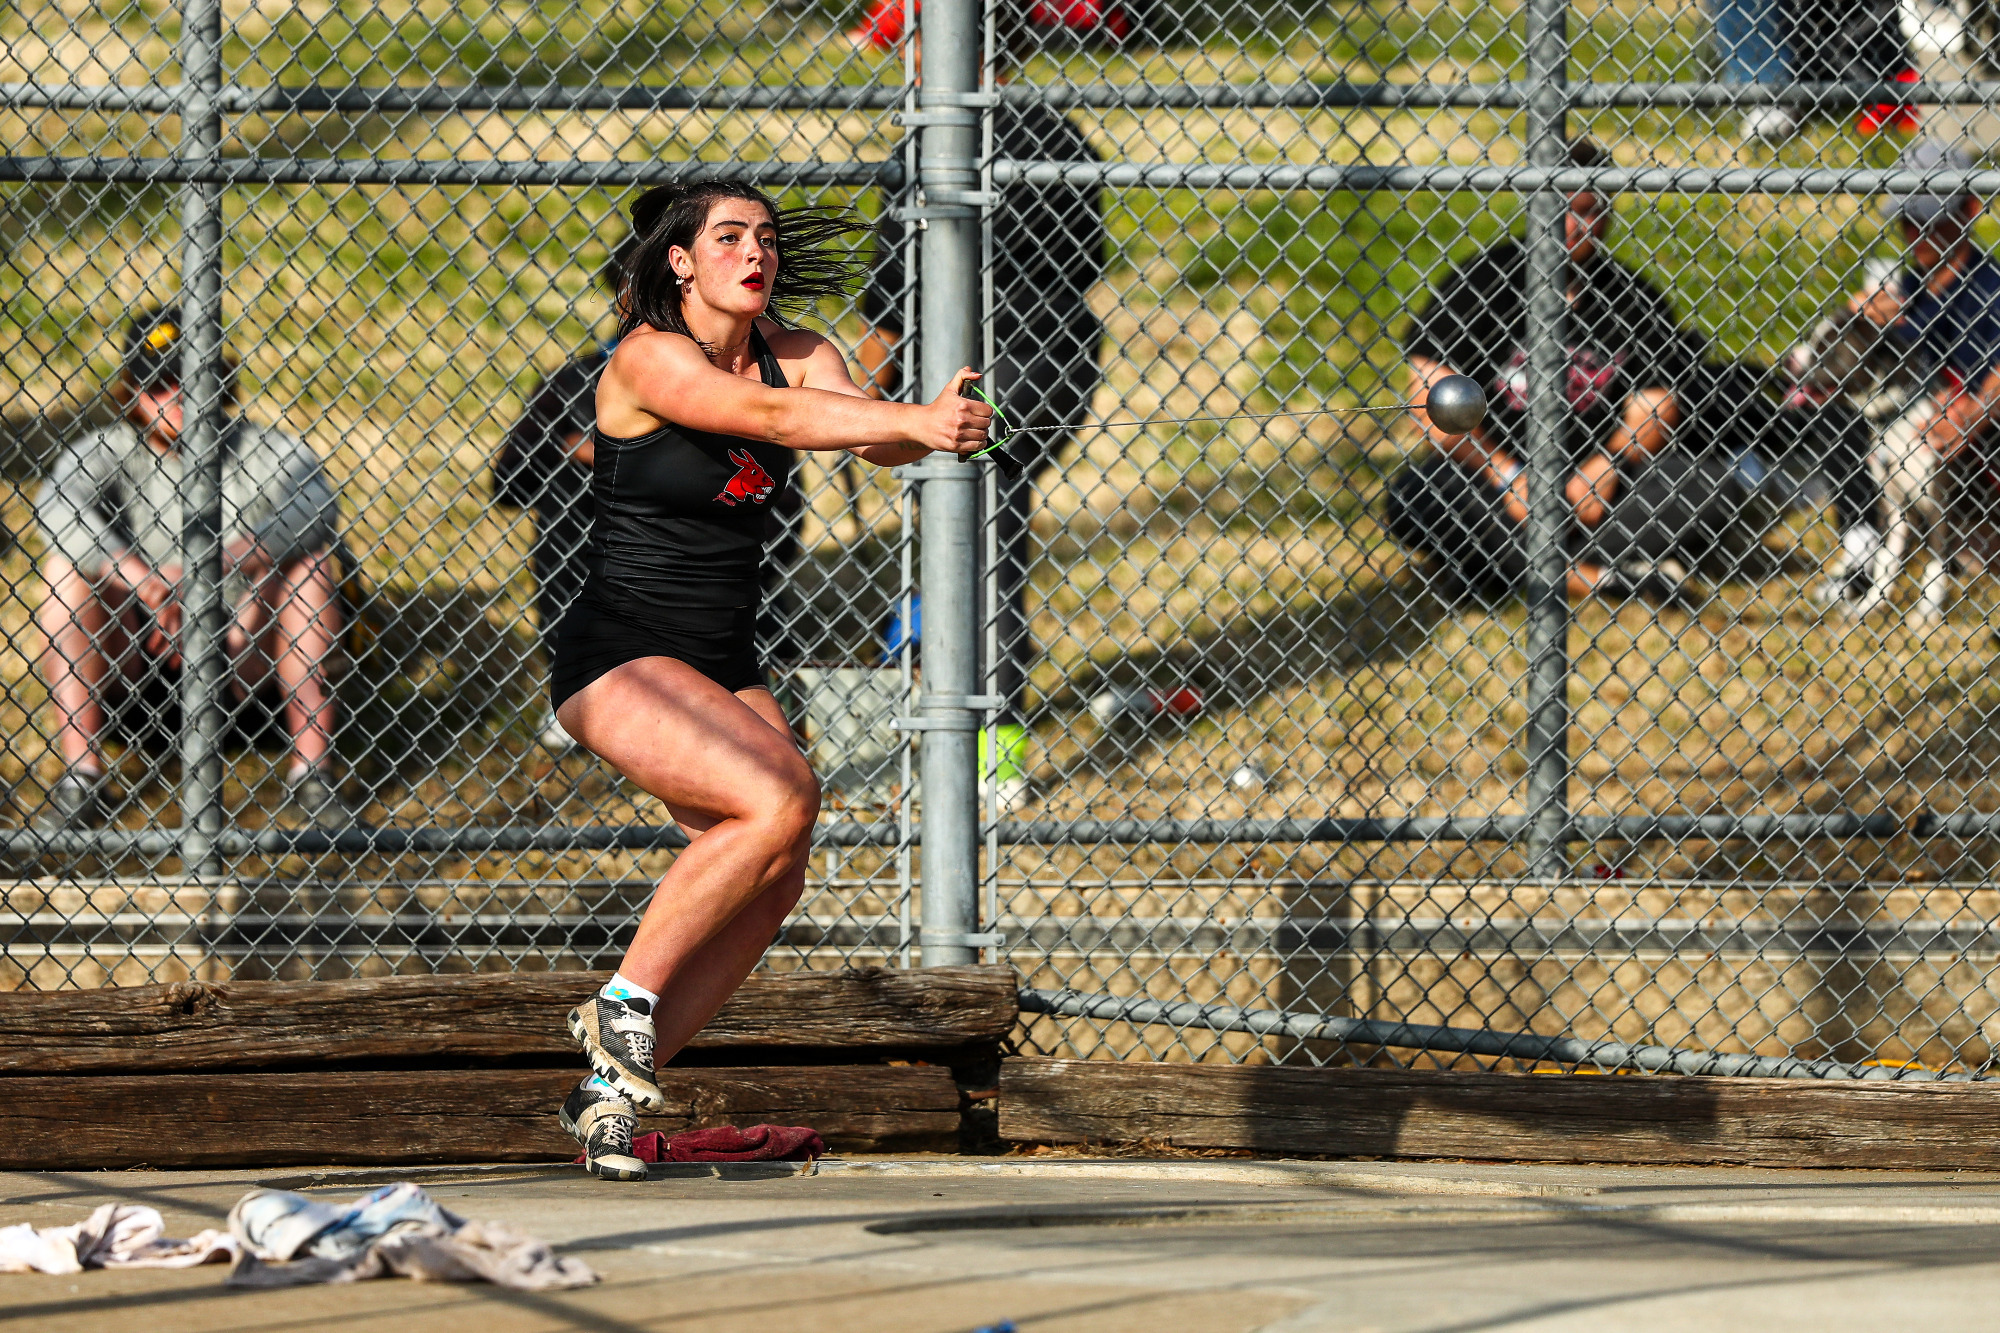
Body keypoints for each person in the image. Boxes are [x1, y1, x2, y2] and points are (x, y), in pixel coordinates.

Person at [550, 181, 991, 1180]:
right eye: (729, 237)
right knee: (776, 790)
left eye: (766, 239)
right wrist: (909, 424)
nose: (755, 253)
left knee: (775, 856)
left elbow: (861, 432)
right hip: (618, 647)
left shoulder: (800, 353)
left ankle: (608, 1093)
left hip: (724, 656)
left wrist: (933, 420)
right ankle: (620, 1010)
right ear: (681, 260)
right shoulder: (648, 356)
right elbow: (764, 419)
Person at [850, 0, 1123, 810]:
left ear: (945, 51)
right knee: (977, 527)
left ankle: (986, 747)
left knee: (974, 534)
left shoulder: (935, 141)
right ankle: (959, 724)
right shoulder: (1059, 135)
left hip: (989, 365)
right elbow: (1088, 266)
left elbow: (885, 303)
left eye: (909, 49)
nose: (902, 66)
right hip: (1051, 362)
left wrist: (867, 397)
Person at [33, 307, 346, 829]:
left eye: (189, 378)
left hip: (244, 665)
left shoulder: (260, 446)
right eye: (156, 384)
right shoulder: (110, 451)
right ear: (131, 394)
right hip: (137, 669)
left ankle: (312, 774)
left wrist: (229, 562)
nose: (174, 395)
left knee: (309, 568)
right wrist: (147, 583)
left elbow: (319, 501)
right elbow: (55, 506)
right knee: (64, 574)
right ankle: (80, 780)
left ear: (219, 380)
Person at [1387, 140, 1703, 605]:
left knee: (1704, 486)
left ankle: (1495, 565)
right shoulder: (1483, 279)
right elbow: (1428, 396)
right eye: (1564, 209)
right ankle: (1596, 579)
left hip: (1593, 489)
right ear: (1536, 207)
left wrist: (1608, 464)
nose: (1578, 225)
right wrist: (1507, 473)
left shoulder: (1633, 296)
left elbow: (1657, 405)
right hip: (1495, 482)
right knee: (1416, 494)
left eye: (1592, 210)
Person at [1817, 139, 2000, 606]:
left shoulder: (1987, 287)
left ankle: (1953, 546)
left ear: (1970, 210)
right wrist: (1857, 321)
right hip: (1901, 430)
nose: (1918, 235)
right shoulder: (1909, 285)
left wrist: (1973, 412)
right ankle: (1863, 540)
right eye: (1908, 220)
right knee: (1837, 414)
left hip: (1968, 438)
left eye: (1932, 221)